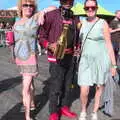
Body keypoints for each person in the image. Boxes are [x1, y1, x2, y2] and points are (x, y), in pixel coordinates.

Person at [10, 0, 57, 120]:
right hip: (19, 58)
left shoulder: (35, 18)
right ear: (21, 7)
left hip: (30, 58)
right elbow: (14, 41)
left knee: (25, 88)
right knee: (30, 84)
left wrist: (43, 12)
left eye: (31, 5)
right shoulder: (16, 22)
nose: (28, 7)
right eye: (25, 5)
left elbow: (53, 7)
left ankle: (27, 116)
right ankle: (31, 103)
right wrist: (13, 55)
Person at [39, 0, 80, 120]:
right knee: (56, 86)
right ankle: (53, 111)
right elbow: (41, 36)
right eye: (64, 0)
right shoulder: (51, 15)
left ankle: (64, 107)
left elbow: (77, 37)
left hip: (70, 57)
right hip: (55, 56)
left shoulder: (75, 18)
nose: (67, 2)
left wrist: (77, 47)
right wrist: (49, 45)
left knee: (68, 85)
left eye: (70, 0)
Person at [77, 0, 117, 120]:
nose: (90, 10)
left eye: (92, 7)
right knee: (84, 89)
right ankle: (83, 110)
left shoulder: (103, 23)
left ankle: (94, 112)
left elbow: (109, 45)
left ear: (96, 8)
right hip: (85, 60)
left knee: (99, 87)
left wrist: (114, 65)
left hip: (101, 60)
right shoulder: (81, 22)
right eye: (87, 8)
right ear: (84, 9)